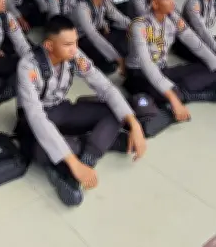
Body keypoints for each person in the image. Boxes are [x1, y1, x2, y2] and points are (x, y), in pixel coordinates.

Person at [15, 16, 147, 207]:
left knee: (113, 111)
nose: (74, 49)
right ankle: (95, 145)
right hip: (32, 123)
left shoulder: (74, 55)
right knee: (39, 149)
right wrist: (73, 163)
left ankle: (87, 157)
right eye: (68, 44)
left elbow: (105, 87)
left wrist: (134, 124)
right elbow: (36, 117)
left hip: (61, 110)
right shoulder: (28, 66)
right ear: (49, 45)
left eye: (76, 42)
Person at [125, 0, 216, 122]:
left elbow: (198, 45)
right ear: (155, 4)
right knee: (171, 92)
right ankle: (202, 95)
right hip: (139, 74)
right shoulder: (139, 26)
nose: (173, 2)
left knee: (212, 68)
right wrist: (173, 99)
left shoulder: (173, 18)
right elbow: (147, 65)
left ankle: (185, 93)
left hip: (162, 69)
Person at [73, 0, 129, 75]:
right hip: (82, 39)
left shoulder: (105, 2)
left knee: (126, 33)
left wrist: (138, 27)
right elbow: (92, 35)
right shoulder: (82, 7)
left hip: (99, 32)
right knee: (107, 65)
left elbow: (120, 18)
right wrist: (117, 58)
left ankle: (115, 57)